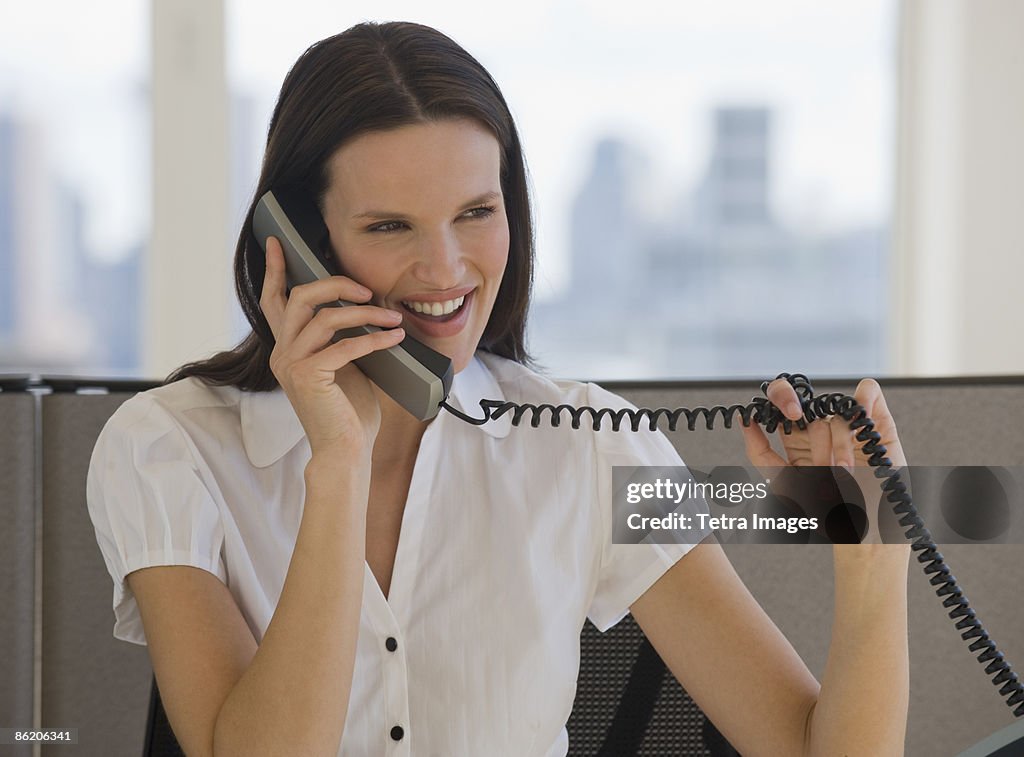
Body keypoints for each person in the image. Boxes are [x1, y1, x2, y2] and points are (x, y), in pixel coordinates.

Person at [86, 20, 911, 757]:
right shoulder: (168, 449)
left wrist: (874, 546)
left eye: (476, 212)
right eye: (388, 226)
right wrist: (336, 457)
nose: (446, 269)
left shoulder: (592, 443)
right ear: (297, 243)